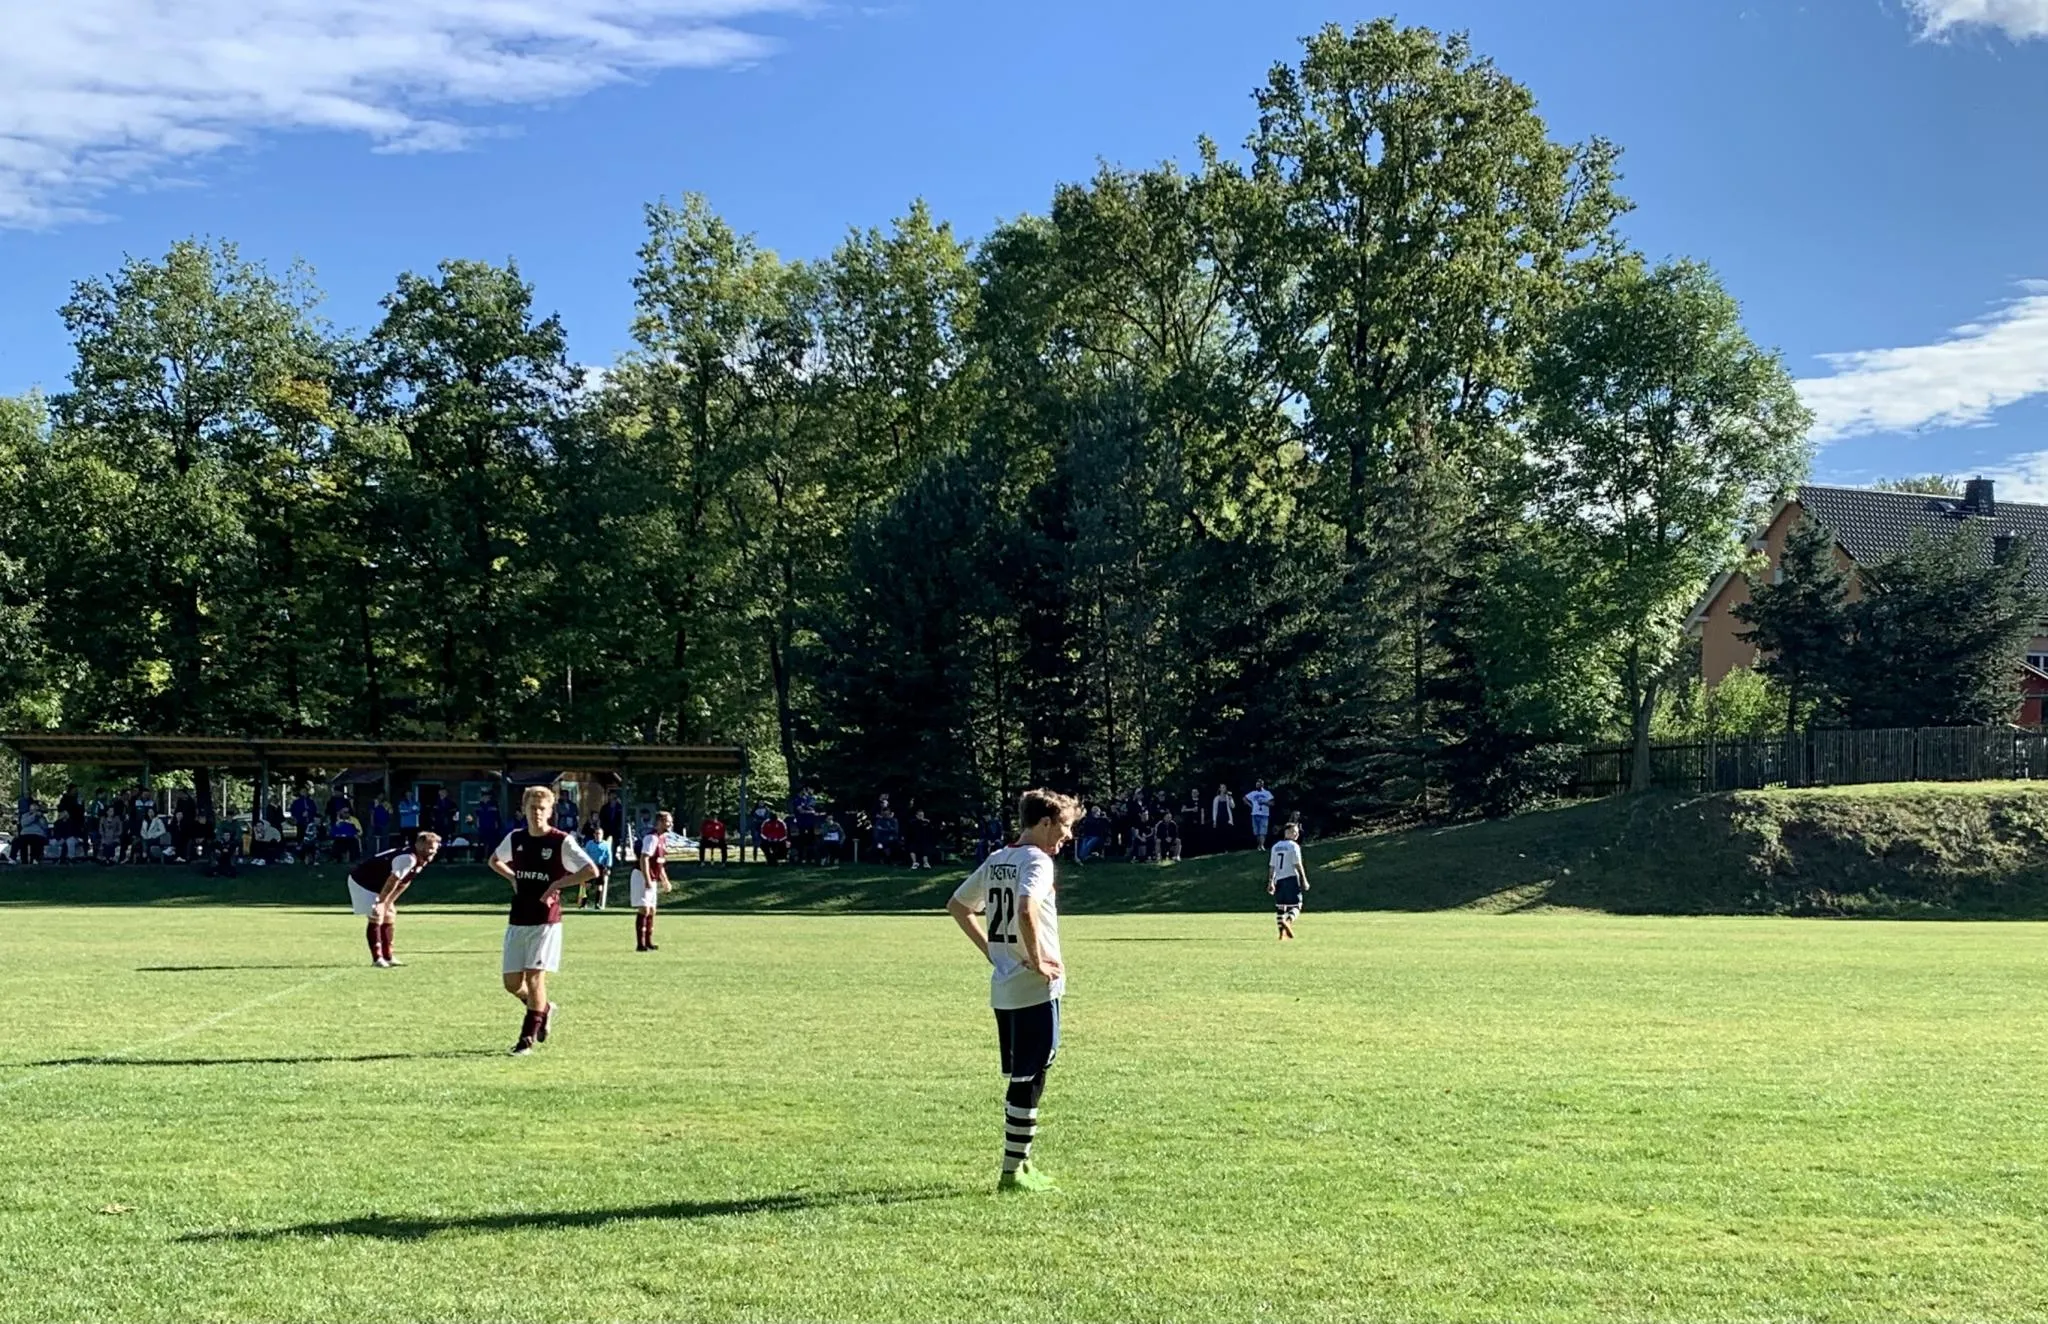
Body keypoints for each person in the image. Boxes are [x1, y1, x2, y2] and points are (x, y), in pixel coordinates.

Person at [945, 788, 1080, 1194]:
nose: (1068, 835)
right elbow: (1025, 908)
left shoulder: (998, 859)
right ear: (1045, 822)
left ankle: (1021, 1163)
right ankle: (1012, 1171)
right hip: (1034, 988)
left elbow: (958, 906)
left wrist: (993, 952)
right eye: (1065, 826)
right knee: (1031, 1076)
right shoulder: (1037, 860)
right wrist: (1038, 961)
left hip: (1004, 986)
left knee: (1024, 1075)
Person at [490, 786, 598, 1056]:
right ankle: (544, 1009)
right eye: (532, 808)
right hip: (518, 918)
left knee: (535, 978)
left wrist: (557, 885)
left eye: (542, 808)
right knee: (512, 984)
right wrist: (512, 877)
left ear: (550, 811)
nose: (537, 813)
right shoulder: (515, 838)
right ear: (524, 810)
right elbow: (494, 860)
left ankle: (525, 1040)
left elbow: (591, 870)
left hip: (545, 921)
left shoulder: (561, 841)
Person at [347, 831, 443, 967]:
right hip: (363, 882)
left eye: (435, 848)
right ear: (420, 845)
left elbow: (404, 882)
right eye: (431, 848)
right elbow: (393, 880)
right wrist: (381, 902)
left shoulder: (422, 860)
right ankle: (377, 959)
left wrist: (389, 901)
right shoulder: (408, 858)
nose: (434, 851)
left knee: (390, 914)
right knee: (376, 915)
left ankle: (388, 956)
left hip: (378, 884)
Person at [631, 811, 674, 951]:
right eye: (668, 821)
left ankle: (649, 942)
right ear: (660, 822)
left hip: (653, 877)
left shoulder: (663, 839)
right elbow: (644, 858)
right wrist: (647, 879)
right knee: (644, 909)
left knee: (652, 910)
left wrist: (665, 880)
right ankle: (640, 944)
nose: (670, 824)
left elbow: (659, 862)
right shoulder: (651, 838)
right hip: (641, 876)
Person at [1267, 821, 1310, 941]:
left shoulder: (1276, 847)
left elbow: (1272, 866)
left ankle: (1281, 934)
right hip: (1291, 879)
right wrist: (1304, 879)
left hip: (1279, 880)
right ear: (1286, 832)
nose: (1296, 834)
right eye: (1293, 832)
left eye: (1297, 832)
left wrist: (1270, 881)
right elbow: (1298, 864)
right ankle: (1288, 921)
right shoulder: (1293, 846)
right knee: (1297, 906)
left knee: (1280, 908)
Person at [578, 827, 614, 910]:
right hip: (591, 866)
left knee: (599, 885)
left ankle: (597, 904)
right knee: (587, 885)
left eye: (600, 834)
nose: (598, 835)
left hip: (600, 866)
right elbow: (585, 854)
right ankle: (583, 903)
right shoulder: (589, 844)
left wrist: (608, 867)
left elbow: (609, 856)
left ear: (602, 835)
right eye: (596, 834)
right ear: (594, 835)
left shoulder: (606, 845)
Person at [1245, 780, 1276, 849]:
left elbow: (1272, 803)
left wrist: (1264, 802)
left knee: (1263, 831)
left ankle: (1262, 845)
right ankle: (1259, 845)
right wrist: (1250, 805)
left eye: (1259, 784)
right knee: (1256, 831)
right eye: (1257, 785)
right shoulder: (1253, 793)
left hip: (1264, 814)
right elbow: (1244, 798)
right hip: (1254, 814)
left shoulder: (1267, 793)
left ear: (1262, 785)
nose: (1257, 786)